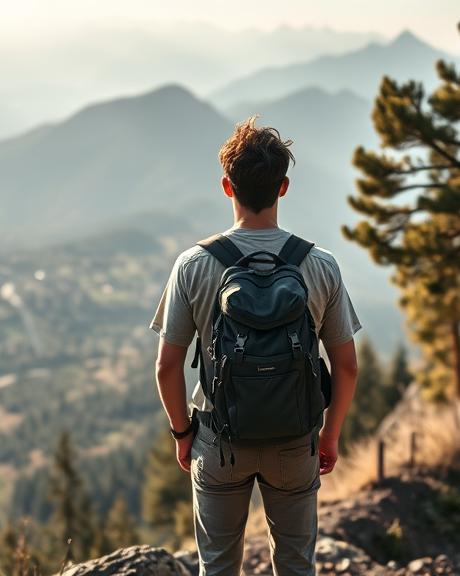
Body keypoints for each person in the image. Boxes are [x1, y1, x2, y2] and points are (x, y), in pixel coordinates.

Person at [150, 117, 360, 576]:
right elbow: (346, 366)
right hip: (295, 442)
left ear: (227, 186)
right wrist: (329, 435)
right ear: (283, 187)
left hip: (219, 441)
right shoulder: (320, 265)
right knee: (296, 565)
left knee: (218, 567)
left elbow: (167, 367)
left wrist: (184, 435)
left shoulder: (193, 265)